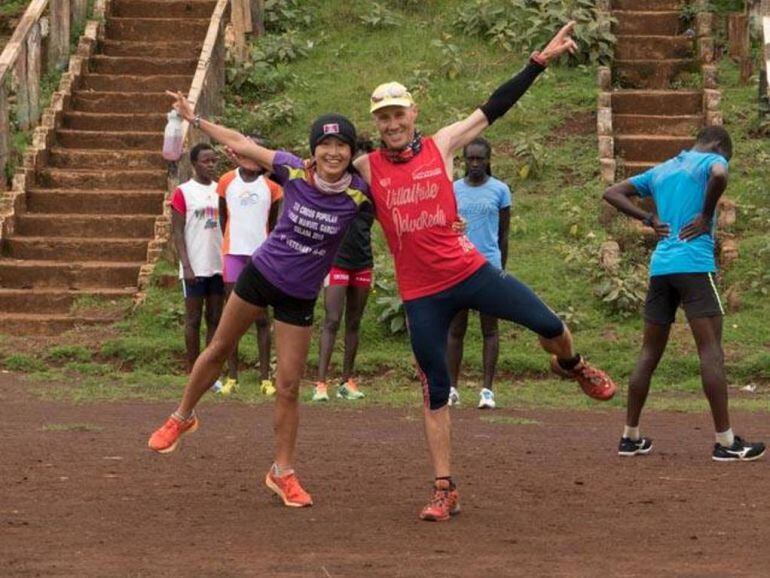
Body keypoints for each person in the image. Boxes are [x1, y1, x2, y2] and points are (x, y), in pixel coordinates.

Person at [352, 21, 617, 522]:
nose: (391, 123)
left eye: (397, 113)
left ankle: (573, 365)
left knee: (550, 326)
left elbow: (494, 107)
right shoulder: (367, 167)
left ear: (413, 113)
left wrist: (536, 63)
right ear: (377, 122)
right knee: (434, 387)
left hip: (469, 270)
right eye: (382, 117)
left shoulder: (442, 144)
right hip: (422, 295)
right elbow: (315, 164)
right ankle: (444, 489)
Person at [149, 94, 372, 509]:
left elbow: (398, 205)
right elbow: (240, 141)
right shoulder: (293, 169)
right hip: (261, 274)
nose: (334, 152)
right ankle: (182, 416)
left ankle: (282, 473)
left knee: (288, 386)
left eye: (342, 145)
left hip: (301, 295)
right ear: (313, 150)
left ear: (351, 151)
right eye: (326, 145)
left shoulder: (359, 193)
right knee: (219, 347)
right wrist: (195, 118)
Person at [602, 125, 765, 462]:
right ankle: (725, 442)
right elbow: (720, 174)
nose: (724, 161)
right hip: (694, 264)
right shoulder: (710, 161)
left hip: (661, 268)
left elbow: (612, 192)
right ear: (719, 145)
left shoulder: (663, 169)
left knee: (649, 351)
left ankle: (630, 437)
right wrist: (706, 216)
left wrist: (648, 218)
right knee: (711, 350)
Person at [446, 137, 511, 410]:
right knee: (455, 329)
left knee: (489, 329)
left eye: (480, 159)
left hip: (488, 267)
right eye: (470, 158)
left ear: (488, 160)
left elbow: (503, 235)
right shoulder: (452, 190)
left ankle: (487, 390)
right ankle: (452, 388)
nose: (474, 164)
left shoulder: (500, 190)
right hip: (458, 266)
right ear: (463, 160)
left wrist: (501, 269)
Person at [217, 136, 283, 397]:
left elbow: (274, 225)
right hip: (233, 254)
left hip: (261, 258)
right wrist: (232, 243)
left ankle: (265, 377)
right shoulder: (226, 181)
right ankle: (232, 376)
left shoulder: (272, 187)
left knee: (262, 318)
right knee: (231, 317)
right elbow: (224, 217)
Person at [313, 137, 376, 402]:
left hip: (363, 261)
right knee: (331, 319)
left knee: (353, 322)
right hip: (336, 260)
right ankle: (320, 383)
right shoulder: (333, 186)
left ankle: (347, 380)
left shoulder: (373, 192)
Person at [170, 143, 225, 386]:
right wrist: (187, 265)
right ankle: (193, 371)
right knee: (193, 319)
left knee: (215, 319)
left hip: (218, 264)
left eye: (214, 161)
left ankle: (209, 373)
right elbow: (178, 232)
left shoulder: (221, 189)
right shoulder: (183, 192)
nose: (211, 165)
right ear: (194, 164)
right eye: (205, 161)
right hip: (194, 265)